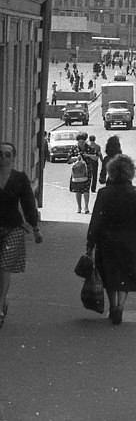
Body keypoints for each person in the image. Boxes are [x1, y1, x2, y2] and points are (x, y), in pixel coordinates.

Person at [86, 154, 136, 325]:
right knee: (125, 273)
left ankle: (113, 305)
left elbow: (96, 219)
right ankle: (120, 306)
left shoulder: (104, 193)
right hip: (129, 239)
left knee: (109, 274)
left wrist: (90, 243)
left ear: (111, 172)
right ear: (131, 173)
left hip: (106, 239)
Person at [0, 141, 43, 329]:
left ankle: (0, 305)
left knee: (3, 267)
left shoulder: (20, 178)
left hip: (13, 228)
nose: (3, 157)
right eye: (0, 154)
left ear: (13, 157)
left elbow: (28, 204)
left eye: (7, 154)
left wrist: (35, 229)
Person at [68, 132, 98, 214]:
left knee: (86, 190)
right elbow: (69, 159)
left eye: (83, 142)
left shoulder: (90, 148)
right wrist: (76, 158)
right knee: (77, 190)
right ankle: (79, 207)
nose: (81, 144)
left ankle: (86, 207)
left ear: (85, 141)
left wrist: (88, 155)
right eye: (79, 142)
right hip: (76, 172)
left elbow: (96, 157)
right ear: (77, 142)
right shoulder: (74, 148)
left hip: (87, 172)